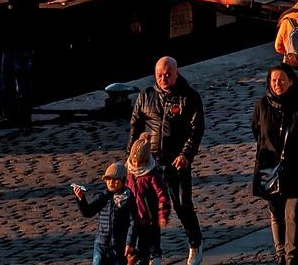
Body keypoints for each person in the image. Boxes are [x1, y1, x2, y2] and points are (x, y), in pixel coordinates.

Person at [127, 57, 204, 265]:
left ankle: (195, 243)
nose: (163, 79)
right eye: (160, 75)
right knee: (150, 211)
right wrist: (132, 158)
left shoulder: (189, 97)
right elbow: (135, 126)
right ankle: (155, 253)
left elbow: (196, 130)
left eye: (168, 75)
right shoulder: (146, 96)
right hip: (150, 163)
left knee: (182, 205)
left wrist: (186, 155)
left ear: (177, 73)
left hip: (176, 161)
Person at [251, 65, 298, 265]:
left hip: (297, 167)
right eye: (273, 81)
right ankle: (280, 253)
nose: (277, 84)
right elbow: (257, 132)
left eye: (281, 80)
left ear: (290, 81)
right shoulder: (262, 106)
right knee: (276, 212)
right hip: (270, 167)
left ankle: (291, 258)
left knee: (293, 212)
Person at [73, 160, 156, 265]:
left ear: (123, 180)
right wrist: (81, 199)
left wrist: (130, 243)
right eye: (108, 180)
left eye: (115, 180)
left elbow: (134, 222)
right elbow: (88, 212)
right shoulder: (103, 197)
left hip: (118, 246)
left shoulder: (128, 199)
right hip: (101, 244)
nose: (111, 183)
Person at [0, 0, 41, 126]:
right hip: (26, 43)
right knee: (25, 80)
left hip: (13, 45)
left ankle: (10, 114)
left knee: (8, 79)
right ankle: (25, 113)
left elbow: (11, 23)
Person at [123, 136, 171, 264]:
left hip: (148, 218)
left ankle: (153, 256)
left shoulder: (152, 175)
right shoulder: (128, 172)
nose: (137, 165)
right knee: (131, 246)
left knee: (146, 245)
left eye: (140, 162)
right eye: (135, 161)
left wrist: (162, 215)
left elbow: (163, 196)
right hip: (131, 218)